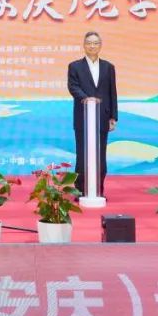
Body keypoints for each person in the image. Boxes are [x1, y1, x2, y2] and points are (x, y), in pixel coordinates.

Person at [67, 31, 118, 197]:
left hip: (102, 117)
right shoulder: (75, 66)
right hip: (83, 117)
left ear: (100, 45)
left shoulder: (108, 67)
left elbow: (112, 92)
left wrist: (113, 116)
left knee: (101, 155)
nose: (92, 46)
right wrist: (87, 99)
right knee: (82, 156)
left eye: (95, 43)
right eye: (89, 43)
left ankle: (98, 190)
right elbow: (73, 87)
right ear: (84, 45)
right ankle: (80, 190)